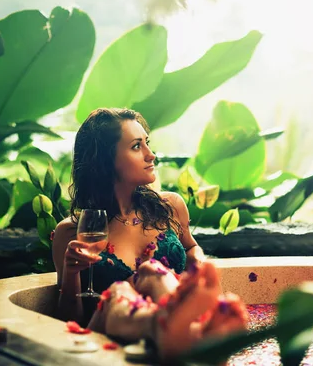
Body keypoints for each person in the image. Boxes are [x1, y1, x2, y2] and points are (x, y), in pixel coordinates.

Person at [51, 107, 248, 363]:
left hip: (166, 337)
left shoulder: (170, 207)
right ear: (106, 161)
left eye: (147, 143)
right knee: (119, 294)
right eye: (136, 146)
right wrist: (71, 273)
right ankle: (179, 327)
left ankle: (176, 326)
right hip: (111, 344)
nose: (150, 155)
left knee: (154, 273)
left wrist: (197, 264)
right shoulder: (72, 232)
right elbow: (69, 324)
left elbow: (191, 248)